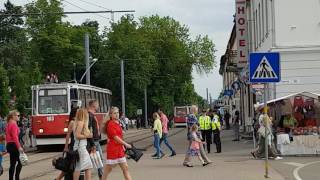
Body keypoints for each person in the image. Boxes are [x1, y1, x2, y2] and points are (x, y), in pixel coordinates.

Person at [102, 107, 132, 180]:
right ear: (111, 115)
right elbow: (115, 137)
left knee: (125, 168)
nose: (117, 114)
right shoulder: (110, 124)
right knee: (108, 170)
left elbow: (119, 135)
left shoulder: (118, 123)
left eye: (117, 113)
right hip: (113, 149)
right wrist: (125, 144)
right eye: (114, 113)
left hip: (119, 149)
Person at [55, 107, 78, 180]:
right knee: (68, 165)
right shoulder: (72, 122)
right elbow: (68, 135)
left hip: (77, 145)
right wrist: (66, 147)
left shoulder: (78, 121)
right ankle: (58, 178)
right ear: (75, 113)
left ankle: (58, 179)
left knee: (71, 165)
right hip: (72, 146)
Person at [73, 108, 93, 180]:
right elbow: (77, 135)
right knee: (88, 166)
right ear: (84, 114)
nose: (88, 114)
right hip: (81, 147)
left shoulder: (76, 122)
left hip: (79, 147)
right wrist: (88, 136)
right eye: (87, 113)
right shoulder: (81, 122)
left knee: (78, 167)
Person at [87, 100, 104, 180]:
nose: (98, 106)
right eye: (97, 105)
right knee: (98, 159)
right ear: (94, 105)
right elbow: (89, 130)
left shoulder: (92, 115)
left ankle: (101, 176)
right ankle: (101, 176)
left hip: (95, 141)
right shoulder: (89, 115)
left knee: (99, 159)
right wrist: (92, 143)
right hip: (94, 141)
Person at [6, 110, 24, 180]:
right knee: (21, 162)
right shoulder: (13, 124)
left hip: (9, 145)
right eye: (18, 116)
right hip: (14, 145)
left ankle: (11, 178)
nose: (19, 117)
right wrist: (19, 146)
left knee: (12, 163)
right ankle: (17, 178)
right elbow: (15, 136)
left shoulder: (9, 123)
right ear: (13, 116)